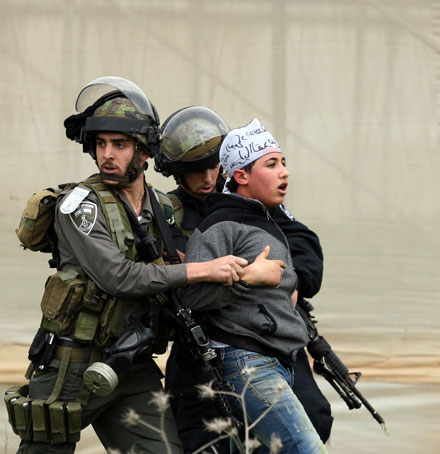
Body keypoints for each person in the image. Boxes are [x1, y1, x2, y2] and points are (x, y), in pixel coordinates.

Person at [12, 77, 264, 454]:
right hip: (71, 364)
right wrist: (204, 269)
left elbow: (182, 266)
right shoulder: (80, 206)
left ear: (144, 153)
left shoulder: (162, 208)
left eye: (120, 144)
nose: (107, 155)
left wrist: (252, 273)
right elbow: (120, 278)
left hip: (131, 364)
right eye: (101, 144)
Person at [155, 107, 332, 453]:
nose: (207, 177)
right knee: (207, 439)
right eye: (195, 170)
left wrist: (290, 282)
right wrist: (247, 276)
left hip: (271, 339)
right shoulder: (170, 214)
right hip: (209, 346)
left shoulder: (259, 207)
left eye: (212, 166)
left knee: (313, 419)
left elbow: (304, 249)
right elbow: (180, 282)